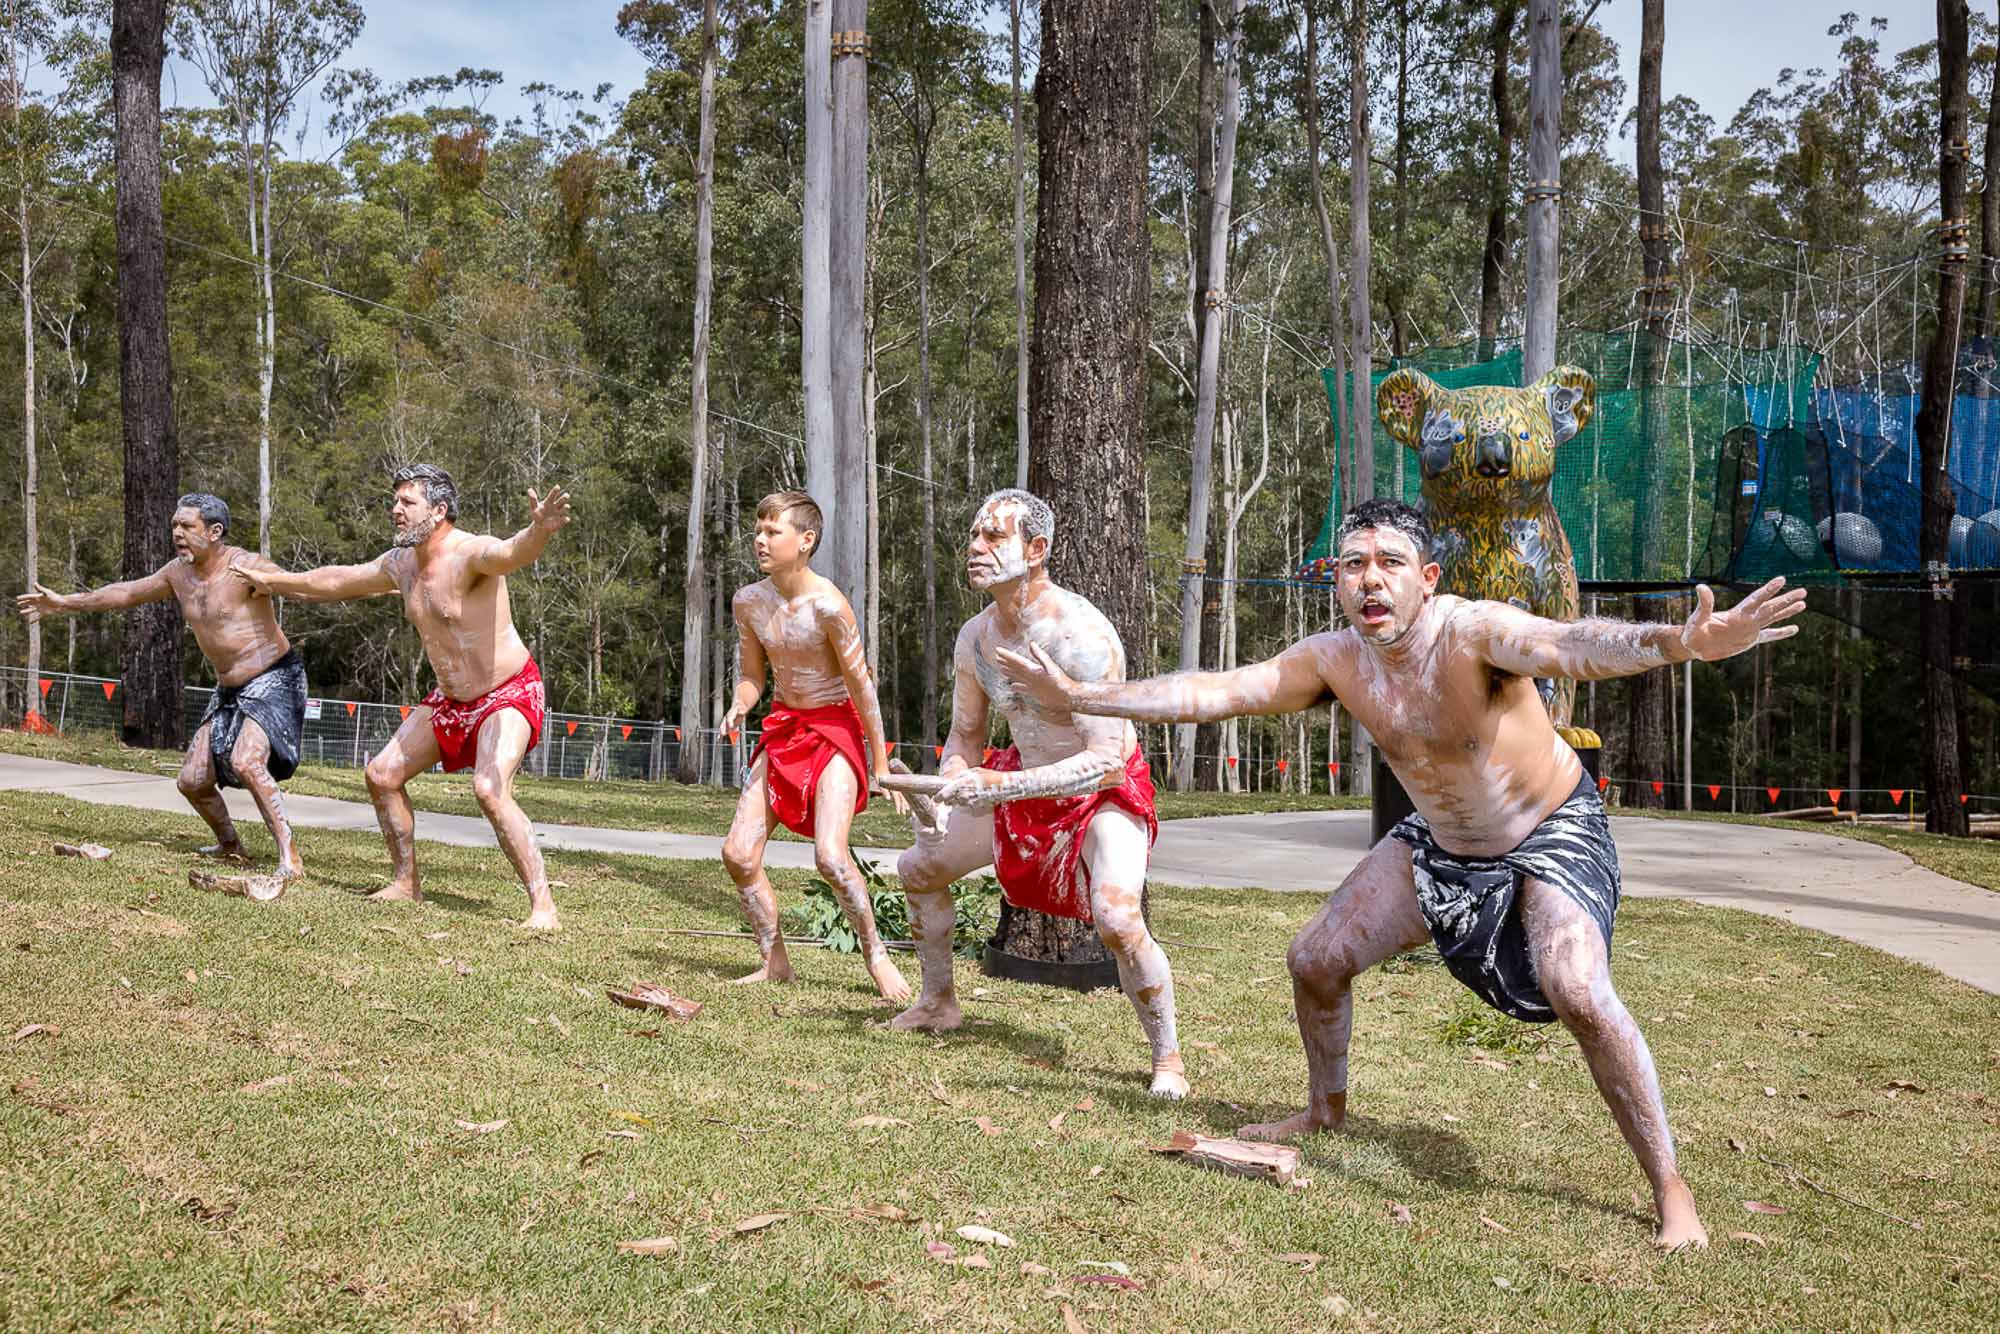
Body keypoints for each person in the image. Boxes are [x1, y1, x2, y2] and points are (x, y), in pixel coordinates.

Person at [999, 496, 1809, 1246]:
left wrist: (1680, 642)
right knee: (1315, 959)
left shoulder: (1473, 631)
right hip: (1441, 841)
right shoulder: (1335, 659)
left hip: (1549, 830)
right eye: (1353, 564)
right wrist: (1082, 695)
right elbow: (1218, 690)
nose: (1369, 579)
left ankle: (1671, 1188)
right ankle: (1324, 1110)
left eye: (1389, 562)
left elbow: (1571, 645)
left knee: (1578, 988)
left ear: (1427, 579)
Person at [881, 488, 1188, 1099]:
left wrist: (998, 785)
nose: (975, 547)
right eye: (974, 535)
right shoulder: (975, 636)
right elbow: (966, 735)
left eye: (993, 537)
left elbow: (1103, 762)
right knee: (918, 866)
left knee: (1118, 917)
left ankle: (1168, 1058)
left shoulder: (1083, 634)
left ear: (1037, 549)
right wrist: (945, 789)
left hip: (1100, 792)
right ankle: (938, 1001)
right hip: (1019, 783)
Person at [235, 464, 569, 930]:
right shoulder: (400, 564)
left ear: (438, 510)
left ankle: (543, 907)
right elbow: (337, 580)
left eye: (407, 502)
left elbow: (511, 551)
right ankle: (406, 882)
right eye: (395, 501)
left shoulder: (469, 553)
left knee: (490, 789)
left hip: (506, 691)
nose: (396, 510)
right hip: (451, 700)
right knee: (382, 774)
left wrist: (538, 530)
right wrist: (278, 581)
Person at [18, 493, 307, 882]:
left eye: (187, 526)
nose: (177, 533)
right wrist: (67, 602)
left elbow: (303, 586)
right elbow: (127, 592)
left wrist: (374, 584)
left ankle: (291, 859)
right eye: (175, 525)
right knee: (191, 781)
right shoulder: (177, 574)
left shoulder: (246, 567)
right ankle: (230, 847)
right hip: (229, 689)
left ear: (215, 531)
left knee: (246, 760)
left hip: (274, 676)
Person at [717, 491, 910, 1001]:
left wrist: (880, 762)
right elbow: (752, 675)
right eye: (758, 529)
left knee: (830, 855)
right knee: (737, 853)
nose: (760, 539)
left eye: (772, 531)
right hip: (784, 728)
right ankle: (773, 959)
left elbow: (862, 686)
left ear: (806, 541)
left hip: (834, 730)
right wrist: (740, 703)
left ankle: (878, 957)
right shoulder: (748, 601)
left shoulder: (829, 604)